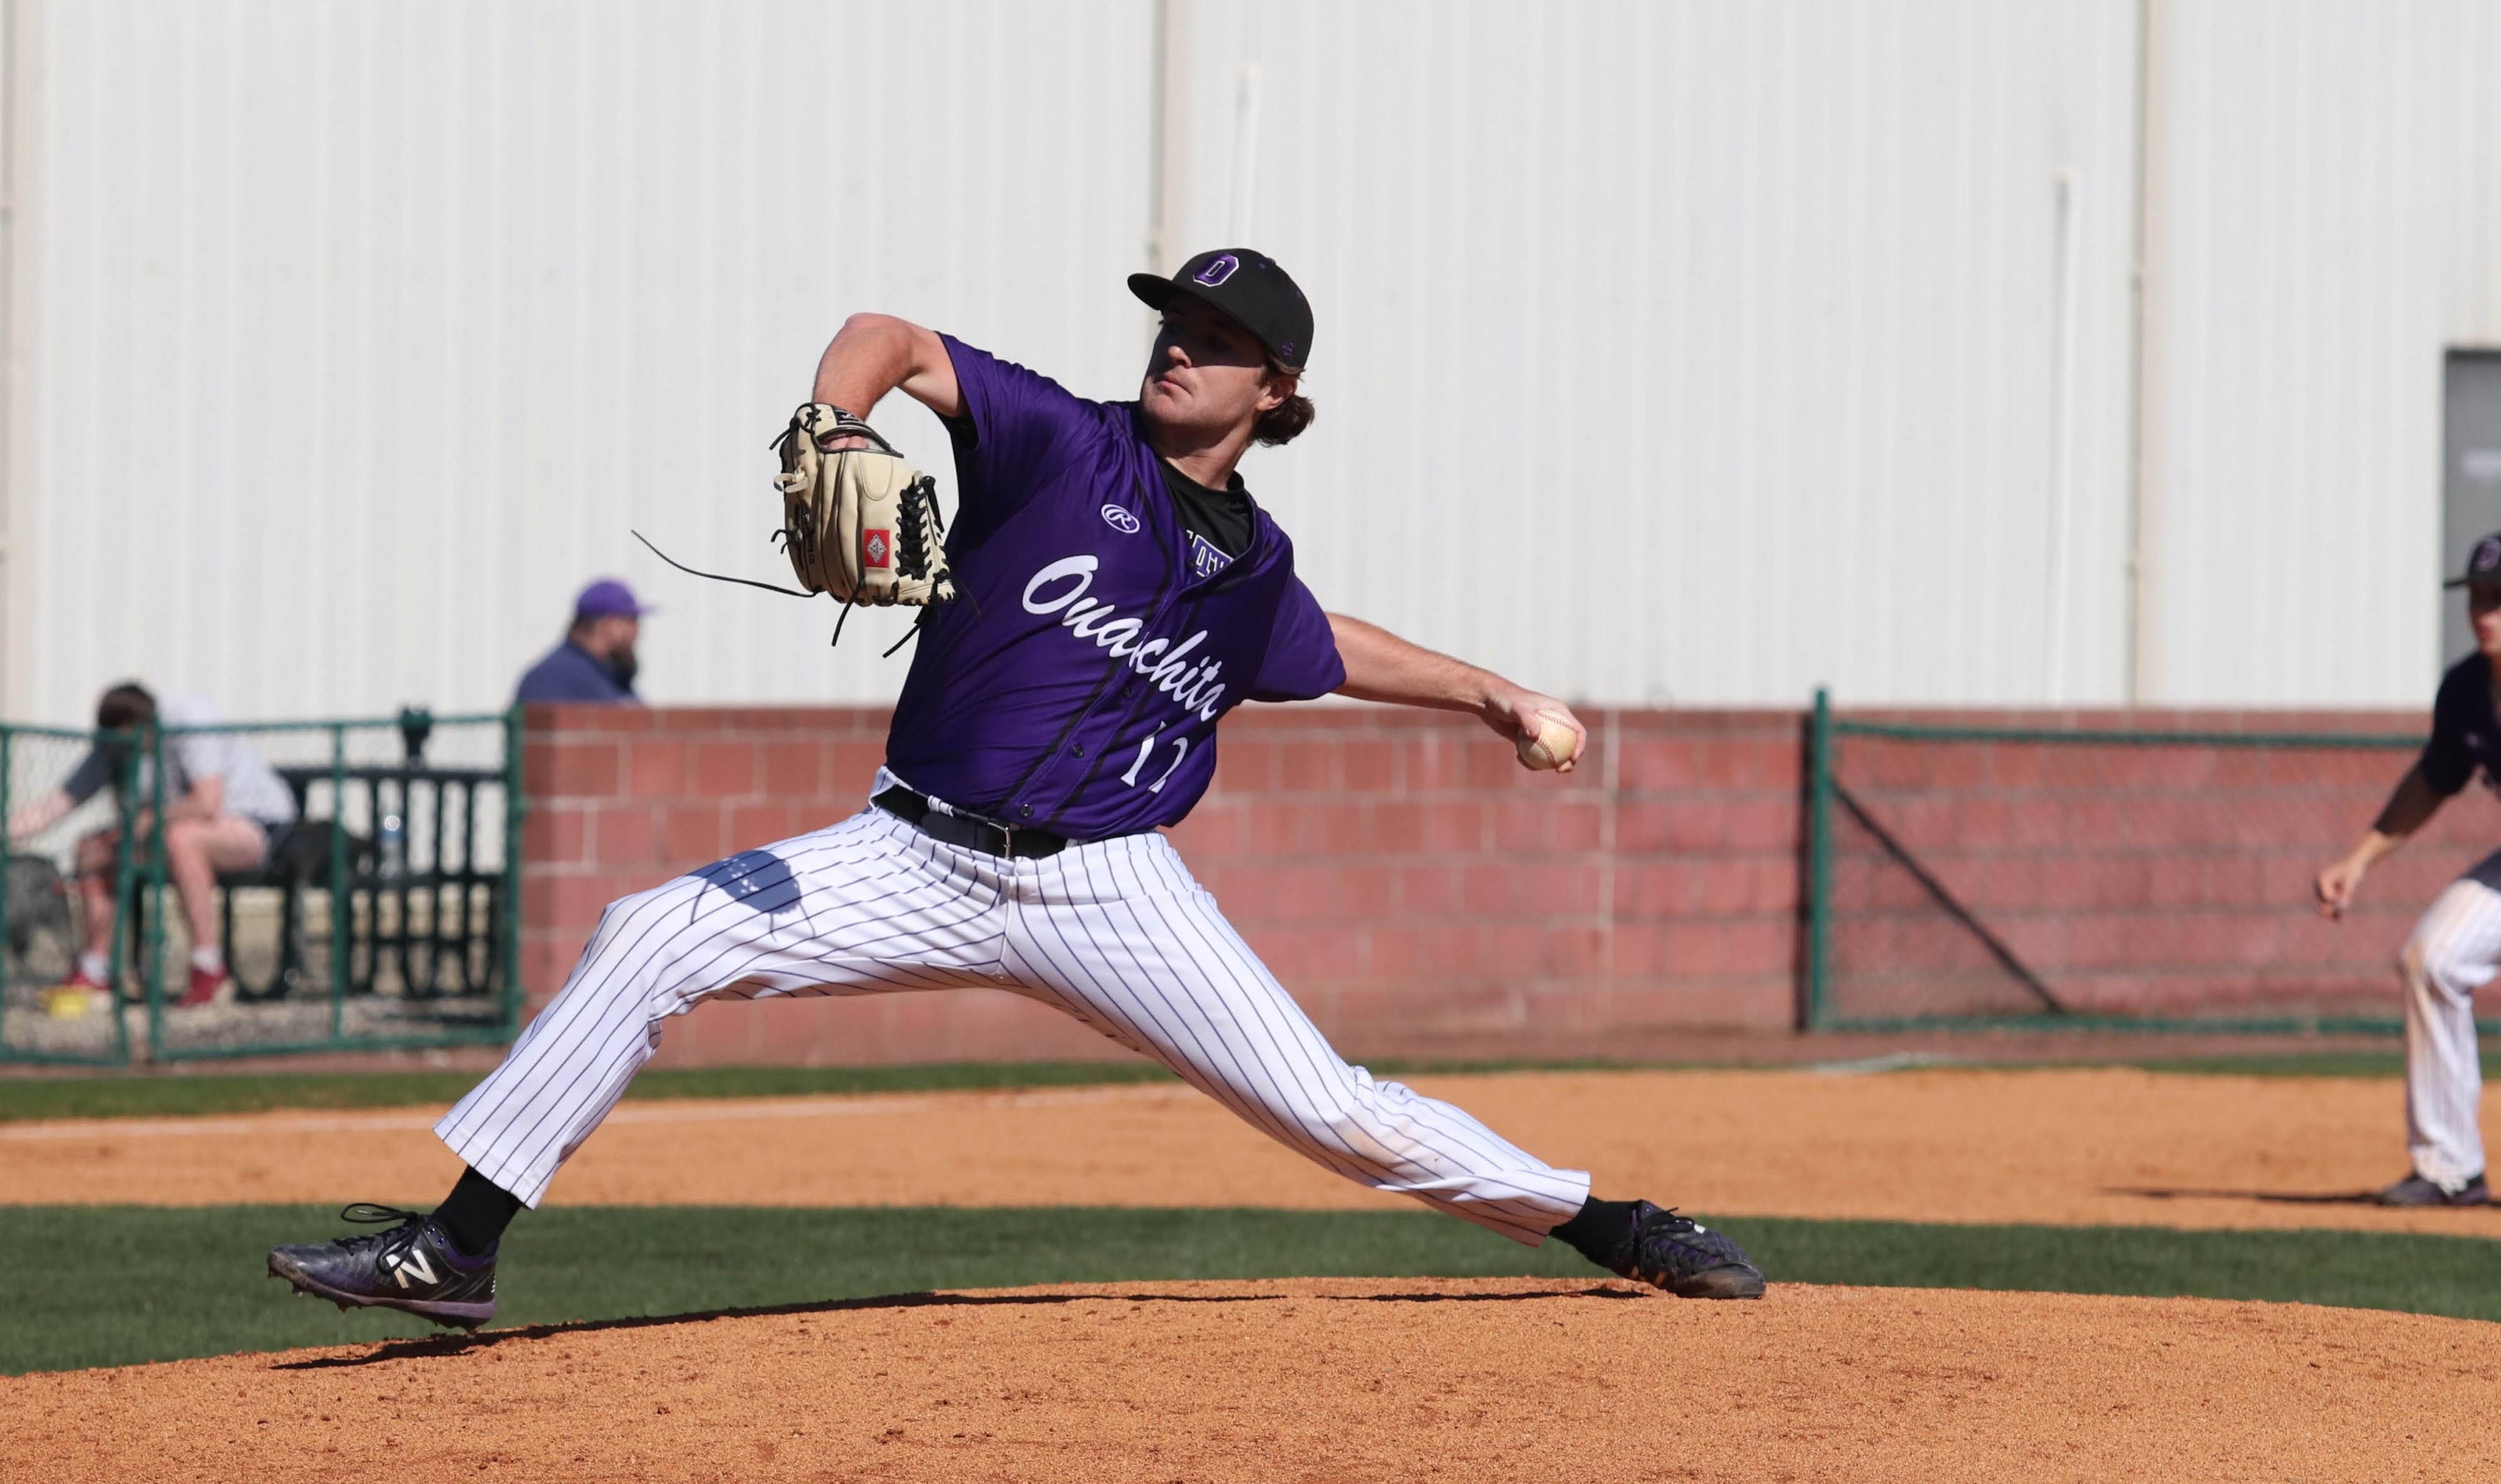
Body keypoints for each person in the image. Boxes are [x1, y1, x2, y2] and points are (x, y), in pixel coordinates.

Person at [267, 248, 1766, 1329]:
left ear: (1274, 388)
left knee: (1341, 1116)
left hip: (1105, 884)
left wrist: (1493, 691)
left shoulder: (1255, 570)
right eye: (1174, 317)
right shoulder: (1057, 441)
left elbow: (1330, 648)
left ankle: (1610, 1218)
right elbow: (888, 332)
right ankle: (456, 1245)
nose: (1180, 343)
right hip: (907, 849)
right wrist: (842, 424)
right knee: (653, 932)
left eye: (1217, 334)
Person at [2316, 531, 2501, 1207]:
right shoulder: (2464, 689)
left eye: (2499, 597)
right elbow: (2432, 779)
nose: (2485, 609)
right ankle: (2449, 1167)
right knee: (2431, 957)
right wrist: (2357, 859)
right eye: (2477, 596)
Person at [0, 681, 298, 1008]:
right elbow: (58, 803)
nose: (120, 751)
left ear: (140, 725)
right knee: (92, 850)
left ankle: (209, 971)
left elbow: (208, 803)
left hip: (255, 826)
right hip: (171, 833)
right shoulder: (114, 744)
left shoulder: (190, 720)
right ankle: (94, 971)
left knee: (182, 838)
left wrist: (150, 820)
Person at [513, 580, 650, 704]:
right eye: (632, 621)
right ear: (610, 626)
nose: (638, 632)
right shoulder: (553, 678)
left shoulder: (609, 675)